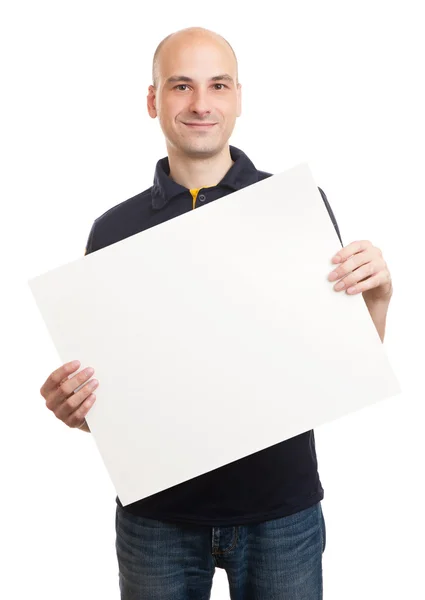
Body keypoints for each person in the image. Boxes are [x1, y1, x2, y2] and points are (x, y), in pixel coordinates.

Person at [39, 26, 393, 600]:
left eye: (217, 85)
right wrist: (77, 407)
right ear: (153, 100)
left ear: (238, 98)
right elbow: (111, 395)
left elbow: (344, 366)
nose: (201, 103)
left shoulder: (293, 209)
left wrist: (378, 299)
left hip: (281, 511)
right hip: (156, 520)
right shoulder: (113, 231)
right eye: (181, 86)